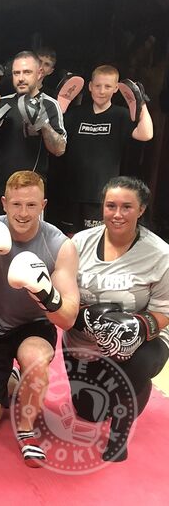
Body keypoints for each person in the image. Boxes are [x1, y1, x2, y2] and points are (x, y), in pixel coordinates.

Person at [0, 171, 79, 468]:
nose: (23, 213)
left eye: (31, 205)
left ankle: (26, 431)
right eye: (16, 204)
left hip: (33, 327)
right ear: (4, 203)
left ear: (43, 205)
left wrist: (44, 292)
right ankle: (12, 381)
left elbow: (68, 318)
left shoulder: (59, 245)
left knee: (35, 358)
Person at [64, 176, 169, 462]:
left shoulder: (160, 254)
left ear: (142, 209)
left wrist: (138, 327)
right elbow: (62, 300)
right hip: (84, 340)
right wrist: (84, 318)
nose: (117, 214)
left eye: (127, 207)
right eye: (111, 206)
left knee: (139, 364)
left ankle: (120, 433)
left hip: (141, 343)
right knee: (90, 412)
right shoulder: (79, 243)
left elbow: (165, 311)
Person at [55, 66, 153, 234]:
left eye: (107, 87)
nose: (101, 91)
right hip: (72, 191)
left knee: (95, 242)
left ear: (116, 89)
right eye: (98, 86)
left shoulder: (121, 115)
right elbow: (55, 138)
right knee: (69, 241)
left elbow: (146, 134)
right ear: (90, 86)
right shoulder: (75, 114)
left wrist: (141, 102)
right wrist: (57, 107)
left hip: (101, 195)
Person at [0, 51, 66, 217]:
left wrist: (43, 125)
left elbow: (59, 149)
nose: (21, 78)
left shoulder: (49, 104)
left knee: (29, 241)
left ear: (39, 73)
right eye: (16, 73)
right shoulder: (2, 103)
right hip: (0, 190)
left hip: (31, 194)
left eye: (27, 72)